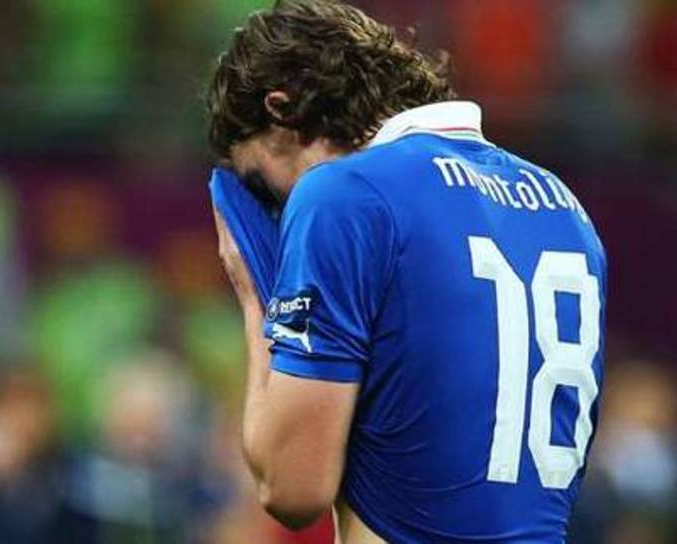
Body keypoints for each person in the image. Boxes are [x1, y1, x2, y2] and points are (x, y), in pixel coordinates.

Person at [206, 1, 607, 542]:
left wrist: (255, 295)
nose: (275, 210)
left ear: (283, 110)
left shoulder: (344, 194)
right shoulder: (563, 205)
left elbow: (292, 489)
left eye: (260, 184)